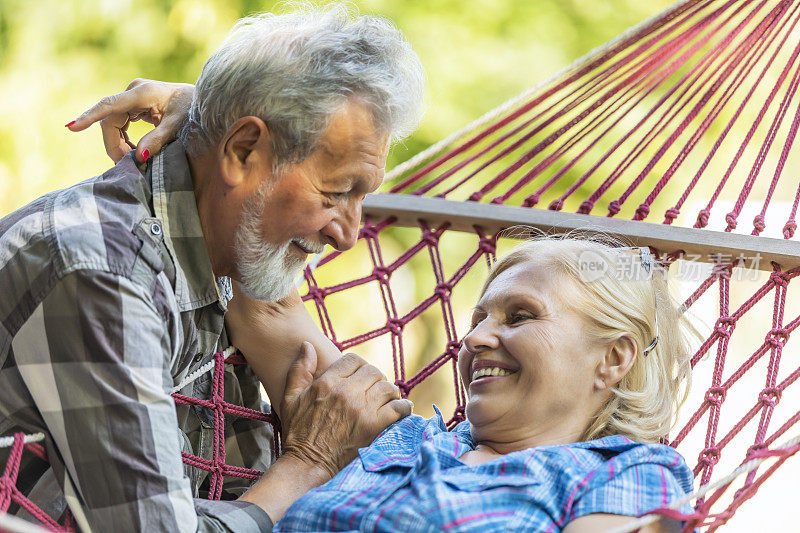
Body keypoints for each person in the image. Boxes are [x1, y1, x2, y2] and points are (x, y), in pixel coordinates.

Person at [0, 4, 424, 532]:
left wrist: (202, 106)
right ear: (243, 150)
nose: (348, 233)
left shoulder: (226, 253)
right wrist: (308, 465)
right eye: (336, 193)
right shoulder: (103, 274)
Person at [264, 237, 696, 532]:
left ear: (612, 359)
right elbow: (265, 309)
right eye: (477, 320)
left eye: (520, 316)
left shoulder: (626, 474)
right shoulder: (394, 432)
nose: (472, 339)